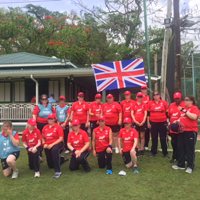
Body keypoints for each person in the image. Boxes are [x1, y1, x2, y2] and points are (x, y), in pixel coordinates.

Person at [172, 95, 199, 173]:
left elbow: (194, 117)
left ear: (191, 101)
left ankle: (191, 166)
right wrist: (177, 121)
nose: (184, 101)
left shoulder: (194, 108)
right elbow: (182, 118)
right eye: (184, 99)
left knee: (189, 149)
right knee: (180, 148)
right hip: (182, 131)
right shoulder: (185, 109)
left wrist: (185, 111)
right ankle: (181, 164)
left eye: (186, 100)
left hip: (191, 131)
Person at [42, 113, 67, 178]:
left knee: (54, 150)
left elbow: (61, 139)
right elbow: (42, 137)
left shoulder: (58, 127)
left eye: (51, 119)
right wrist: (44, 144)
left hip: (57, 144)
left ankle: (58, 170)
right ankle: (62, 159)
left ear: (54, 119)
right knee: (50, 165)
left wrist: (52, 145)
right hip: (48, 144)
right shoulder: (45, 127)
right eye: (49, 119)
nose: (50, 120)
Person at [147, 90, 170, 158]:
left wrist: (168, 122)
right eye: (154, 95)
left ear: (159, 95)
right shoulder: (150, 103)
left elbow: (167, 113)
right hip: (153, 122)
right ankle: (154, 152)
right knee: (154, 137)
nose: (155, 96)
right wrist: (148, 122)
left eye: (157, 94)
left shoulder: (164, 102)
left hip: (162, 122)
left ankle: (165, 153)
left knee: (163, 138)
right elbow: (148, 114)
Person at [168, 92, 185, 163]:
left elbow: (184, 116)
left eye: (178, 98)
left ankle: (183, 158)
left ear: (181, 98)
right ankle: (175, 157)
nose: (177, 100)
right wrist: (169, 123)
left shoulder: (184, 105)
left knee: (180, 145)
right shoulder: (172, 105)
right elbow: (169, 115)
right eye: (175, 99)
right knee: (174, 143)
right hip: (173, 129)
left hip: (180, 129)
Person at [131, 92, 147, 156]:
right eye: (139, 97)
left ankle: (142, 149)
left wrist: (143, 121)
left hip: (142, 122)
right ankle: (137, 149)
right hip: (135, 122)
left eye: (141, 97)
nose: (140, 98)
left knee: (142, 136)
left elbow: (145, 114)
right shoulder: (133, 104)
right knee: (136, 137)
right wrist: (135, 121)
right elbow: (132, 113)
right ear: (136, 97)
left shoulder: (144, 104)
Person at [139, 85, 150, 151]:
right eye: (143, 89)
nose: (144, 90)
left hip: (147, 114)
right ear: (141, 90)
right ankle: (141, 145)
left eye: (145, 89)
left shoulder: (149, 97)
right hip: (140, 115)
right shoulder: (139, 97)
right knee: (141, 132)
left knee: (147, 131)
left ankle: (146, 145)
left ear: (147, 90)